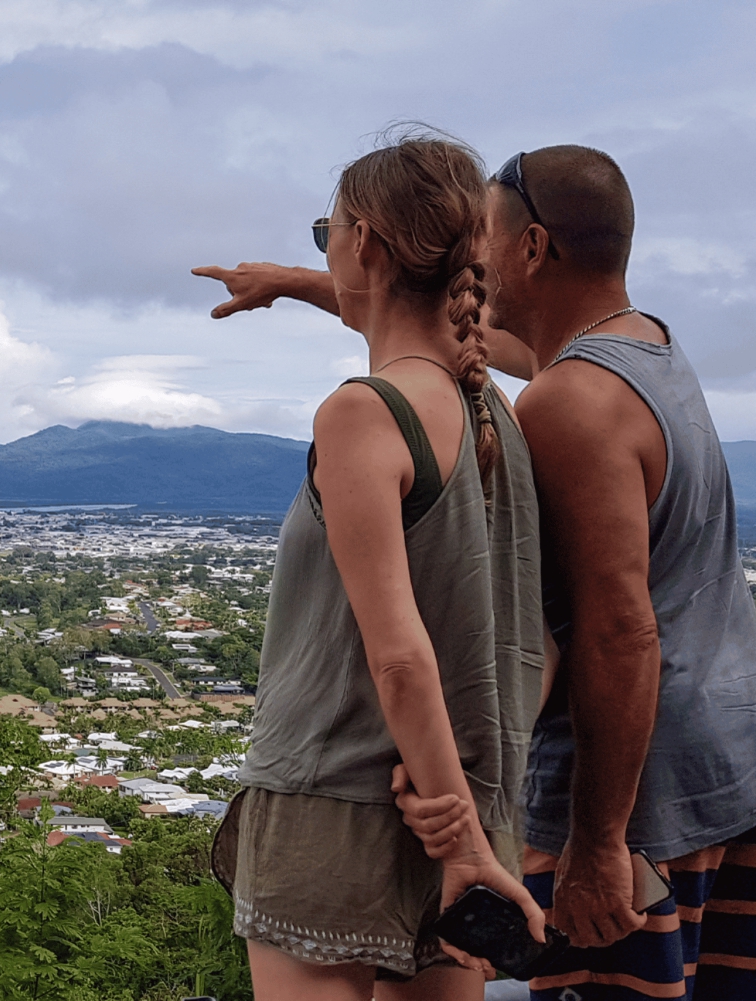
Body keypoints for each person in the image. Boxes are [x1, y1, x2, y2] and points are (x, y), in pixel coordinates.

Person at [199, 145, 756, 999]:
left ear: (531, 246)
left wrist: (583, 840)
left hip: (607, 804)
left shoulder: (553, 403)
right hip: (729, 768)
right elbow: (536, 638)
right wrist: (302, 281)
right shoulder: (611, 365)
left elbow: (614, 631)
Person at [208, 130, 548, 1001]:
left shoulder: (364, 413)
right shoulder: (495, 413)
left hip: (335, 798)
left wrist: (456, 834)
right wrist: (462, 820)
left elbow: (397, 654)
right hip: (459, 794)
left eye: (329, 234)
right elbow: (533, 634)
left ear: (363, 242)